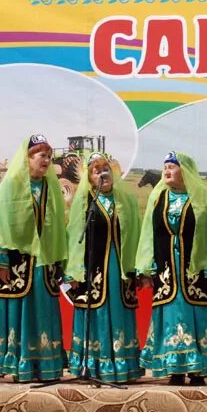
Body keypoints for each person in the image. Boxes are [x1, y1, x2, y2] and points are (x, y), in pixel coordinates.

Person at [136, 152, 207, 386]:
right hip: (167, 270)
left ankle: (198, 370)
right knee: (172, 315)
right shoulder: (159, 198)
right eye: (164, 166)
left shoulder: (205, 199)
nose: (166, 171)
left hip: (197, 271)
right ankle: (174, 368)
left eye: (172, 167)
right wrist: (145, 268)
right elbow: (149, 234)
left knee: (198, 313)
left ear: (185, 171)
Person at [0, 135, 68, 382]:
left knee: (43, 311)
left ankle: (46, 367)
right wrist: (0, 260)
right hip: (18, 262)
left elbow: (58, 228)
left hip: (45, 263)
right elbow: (0, 223)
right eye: (42, 156)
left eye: (49, 157)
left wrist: (60, 260)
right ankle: (20, 366)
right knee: (20, 311)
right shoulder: (12, 184)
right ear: (28, 158)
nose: (47, 161)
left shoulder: (51, 187)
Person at [63, 152, 143, 383]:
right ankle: (91, 366)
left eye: (105, 169)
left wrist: (137, 267)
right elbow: (75, 237)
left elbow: (135, 233)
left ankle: (122, 366)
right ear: (89, 178)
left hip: (118, 267)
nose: (102, 174)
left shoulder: (125, 200)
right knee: (94, 312)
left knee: (118, 311)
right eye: (96, 171)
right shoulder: (84, 201)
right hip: (92, 268)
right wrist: (74, 271)